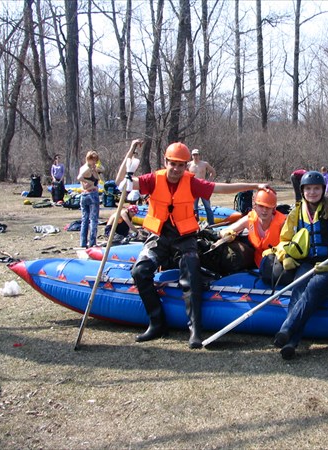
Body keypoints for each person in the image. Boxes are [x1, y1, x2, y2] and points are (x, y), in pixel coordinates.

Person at [115, 139, 271, 348]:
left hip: (184, 237)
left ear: (186, 165)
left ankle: (195, 330)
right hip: (159, 236)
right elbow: (120, 183)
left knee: (191, 273)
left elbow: (221, 188)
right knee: (139, 272)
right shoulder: (152, 180)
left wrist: (254, 185)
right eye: (173, 164)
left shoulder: (192, 182)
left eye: (182, 165)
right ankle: (156, 322)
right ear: (166, 162)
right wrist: (130, 151)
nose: (177, 169)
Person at [272, 171, 328, 360]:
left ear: (323, 189)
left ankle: (286, 330)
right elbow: (284, 239)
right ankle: (291, 343)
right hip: (308, 261)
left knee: (313, 289)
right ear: (302, 191)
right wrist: (286, 256)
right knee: (297, 290)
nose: (312, 192)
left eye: (316, 188)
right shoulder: (296, 212)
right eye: (308, 189)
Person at [218, 188, 286, 268]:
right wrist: (226, 233)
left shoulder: (282, 223)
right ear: (255, 206)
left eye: (268, 207)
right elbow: (224, 231)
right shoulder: (249, 219)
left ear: (273, 208)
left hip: (277, 264)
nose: (264, 210)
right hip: (257, 263)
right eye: (261, 206)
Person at [77, 150, 103, 248]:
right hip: (91, 194)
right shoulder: (87, 169)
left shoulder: (93, 168)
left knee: (85, 219)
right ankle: (92, 242)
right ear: (89, 159)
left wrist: (97, 167)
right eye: (93, 160)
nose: (94, 162)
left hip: (84, 195)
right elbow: (79, 177)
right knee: (93, 219)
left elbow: (103, 169)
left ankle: (83, 242)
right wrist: (91, 183)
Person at [187, 148, 217, 225]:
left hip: (203, 186)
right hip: (194, 188)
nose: (195, 156)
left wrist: (209, 180)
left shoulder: (204, 164)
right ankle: (195, 223)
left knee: (207, 207)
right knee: (194, 208)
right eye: (194, 155)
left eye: (197, 155)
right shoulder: (189, 165)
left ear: (199, 155)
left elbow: (213, 171)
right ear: (192, 156)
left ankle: (211, 224)